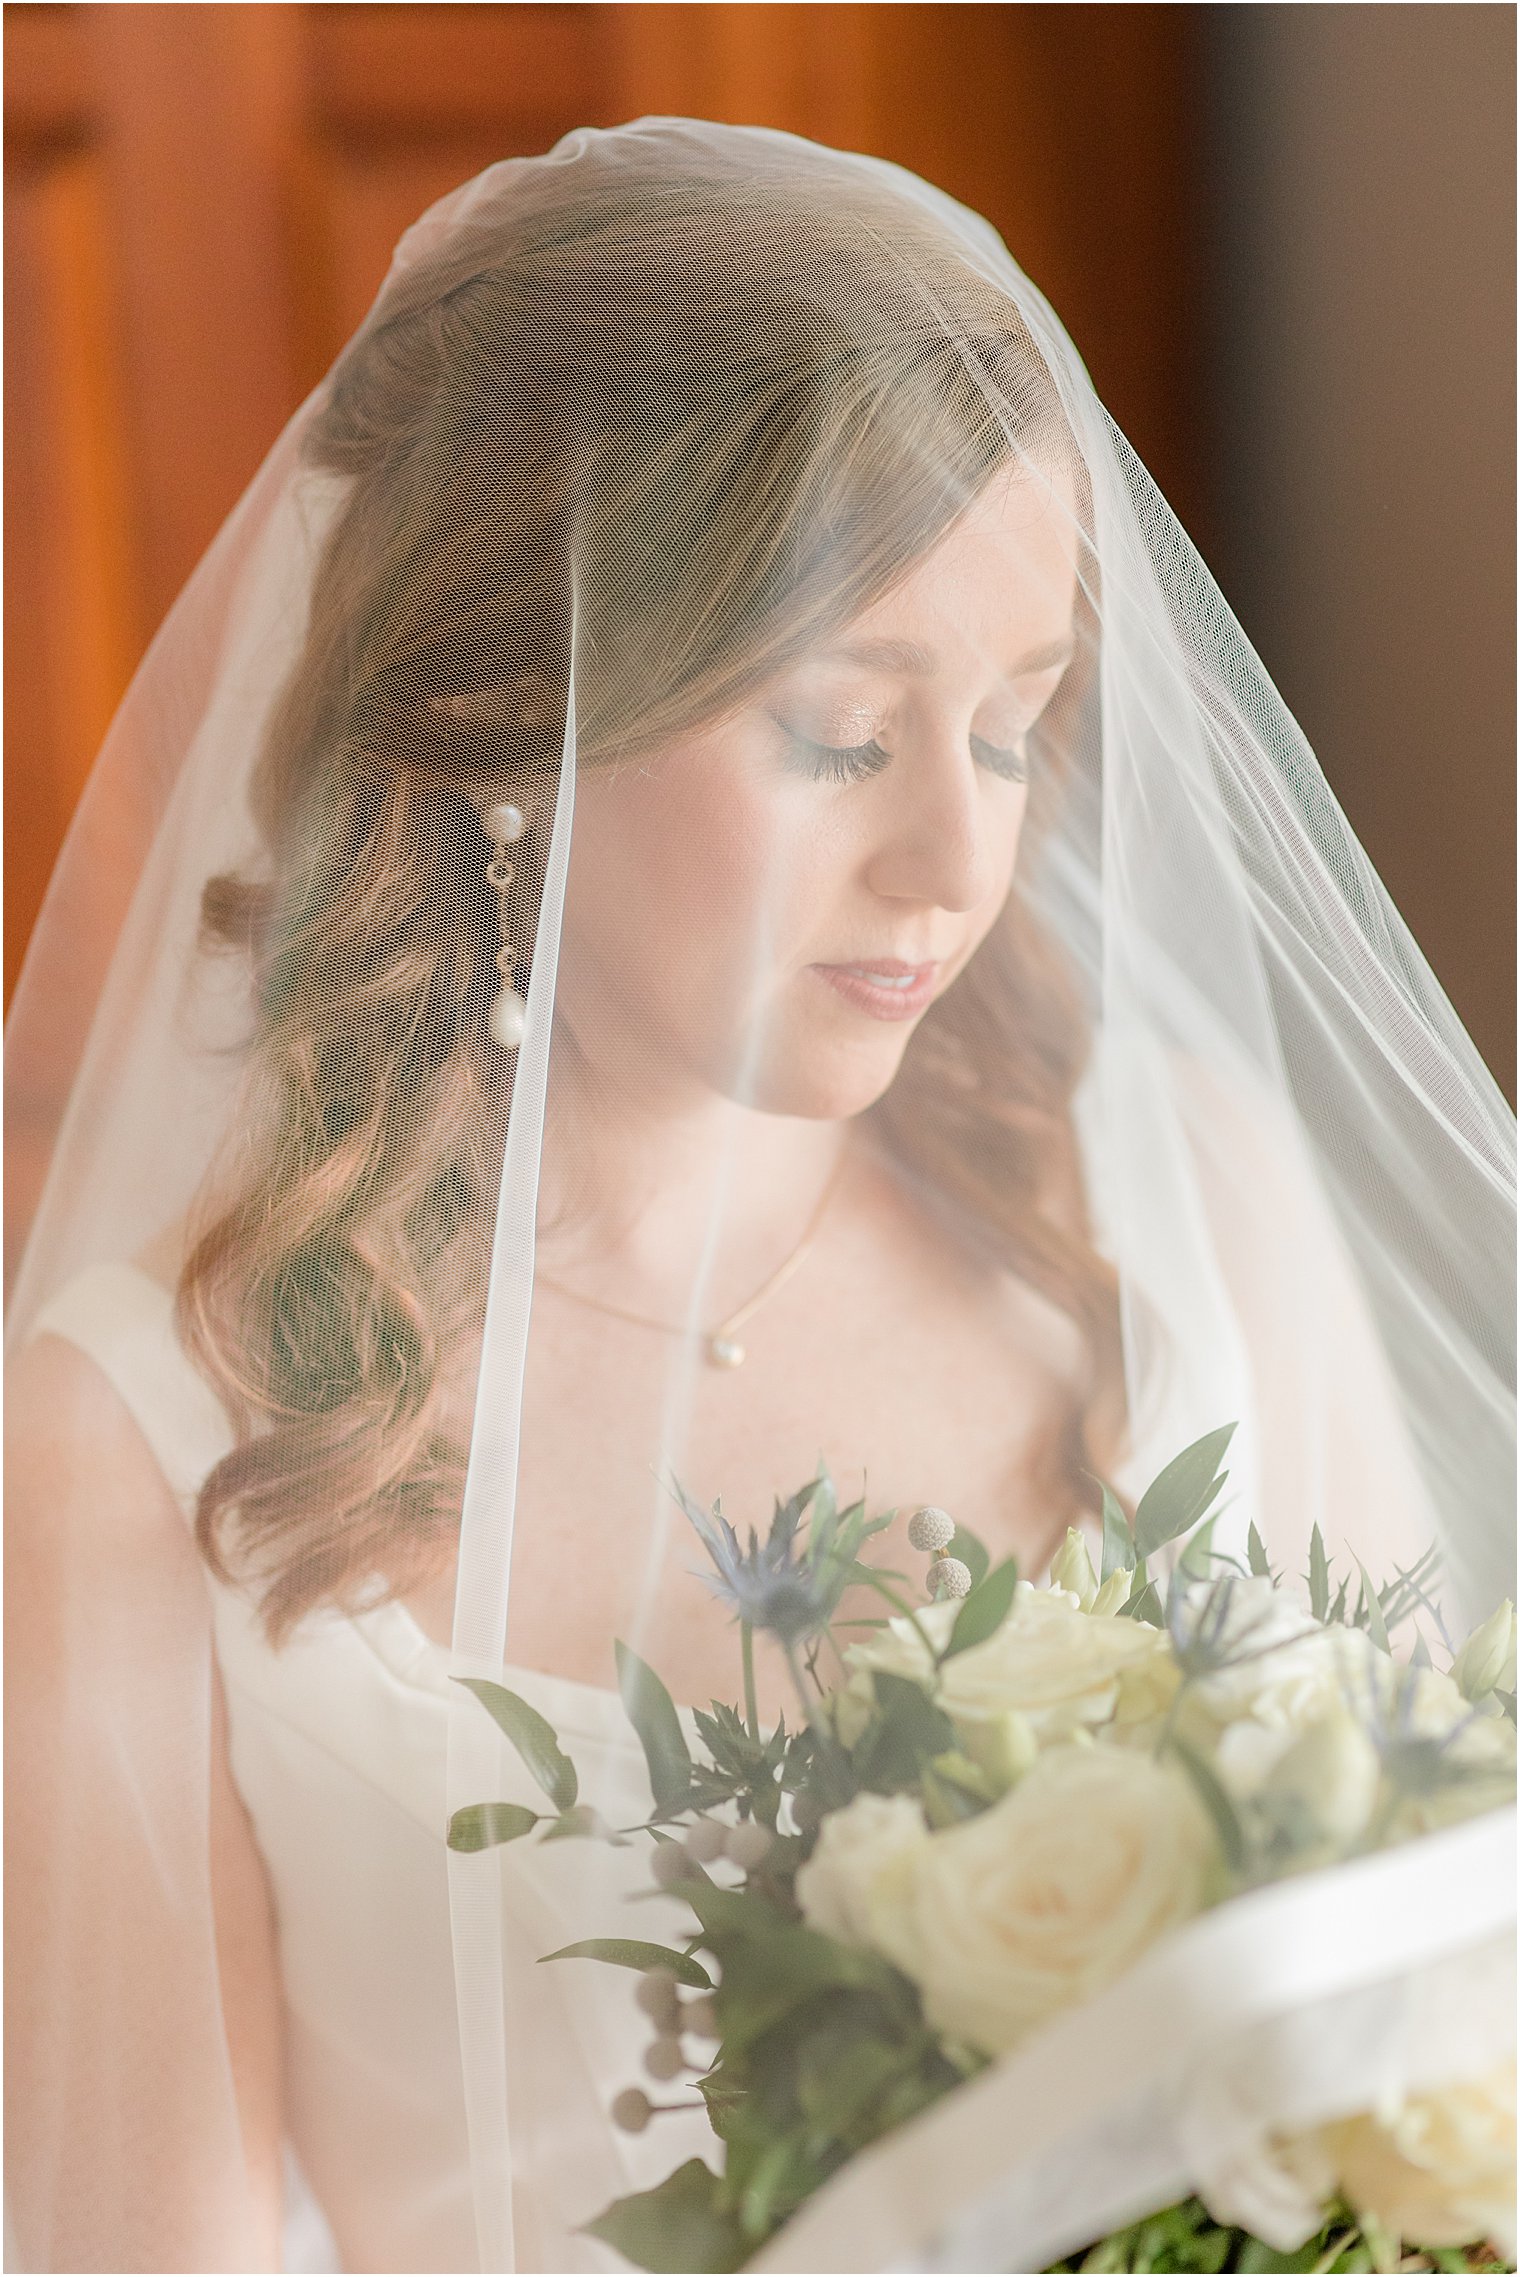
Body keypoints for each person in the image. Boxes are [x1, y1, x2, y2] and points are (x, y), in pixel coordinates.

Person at [6, 120, 1512, 2275]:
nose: (952, 861)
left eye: (1008, 726)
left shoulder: (1182, 1202)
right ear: (510, 701)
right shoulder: (136, 1450)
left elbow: (1430, 1986)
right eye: (837, 736)